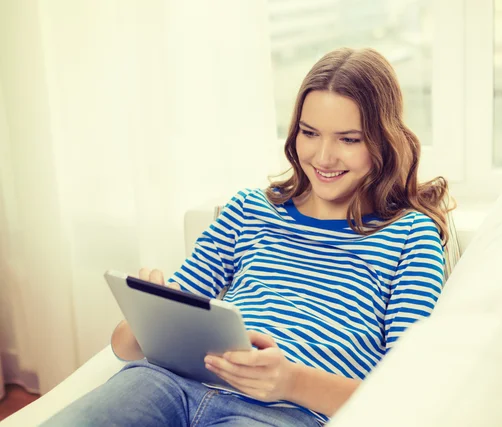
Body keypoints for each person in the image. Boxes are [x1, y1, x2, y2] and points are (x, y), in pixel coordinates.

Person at [43, 47, 451, 427]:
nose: (323, 157)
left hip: (283, 414)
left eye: (349, 139)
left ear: (384, 139)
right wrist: (147, 317)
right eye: (310, 133)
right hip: (164, 383)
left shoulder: (410, 235)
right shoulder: (248, 210)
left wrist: (290, 382)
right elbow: (124, 346)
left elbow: (406, 396)